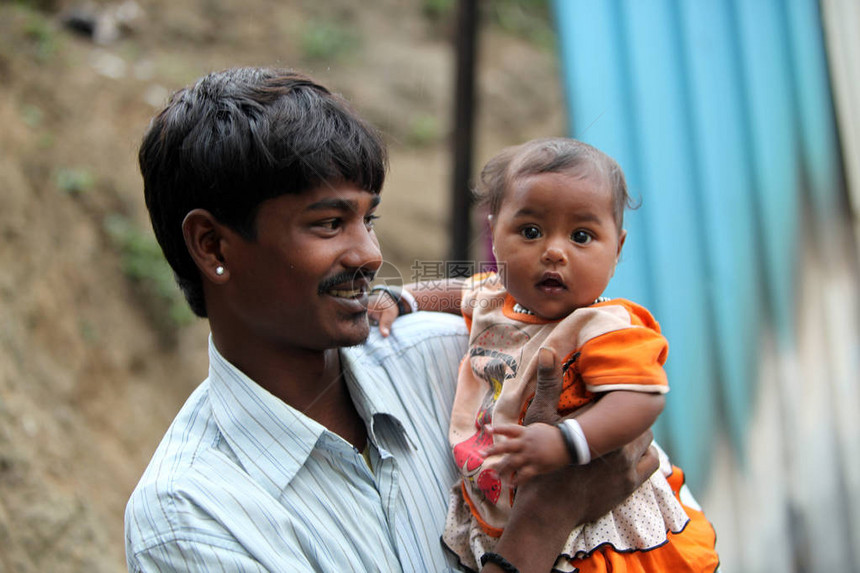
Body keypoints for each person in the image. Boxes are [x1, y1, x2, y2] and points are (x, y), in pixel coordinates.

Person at [124, 68, 661, 573]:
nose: (369, 254)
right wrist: (542, 521)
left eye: (368, 218)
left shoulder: (463, 357)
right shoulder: (193, 519)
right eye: (330, 223)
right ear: (213, 245)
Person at [370, 138, 720, 572]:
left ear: (618, 248)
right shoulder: (495, 299)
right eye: (531, 232)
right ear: (494, 235)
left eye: (581, 236)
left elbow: (642, 398)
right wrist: (399, 299)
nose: (554, 251)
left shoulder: (602, 327)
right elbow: (454, 291)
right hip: (517, 510)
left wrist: (567, 442)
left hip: (597, 517)